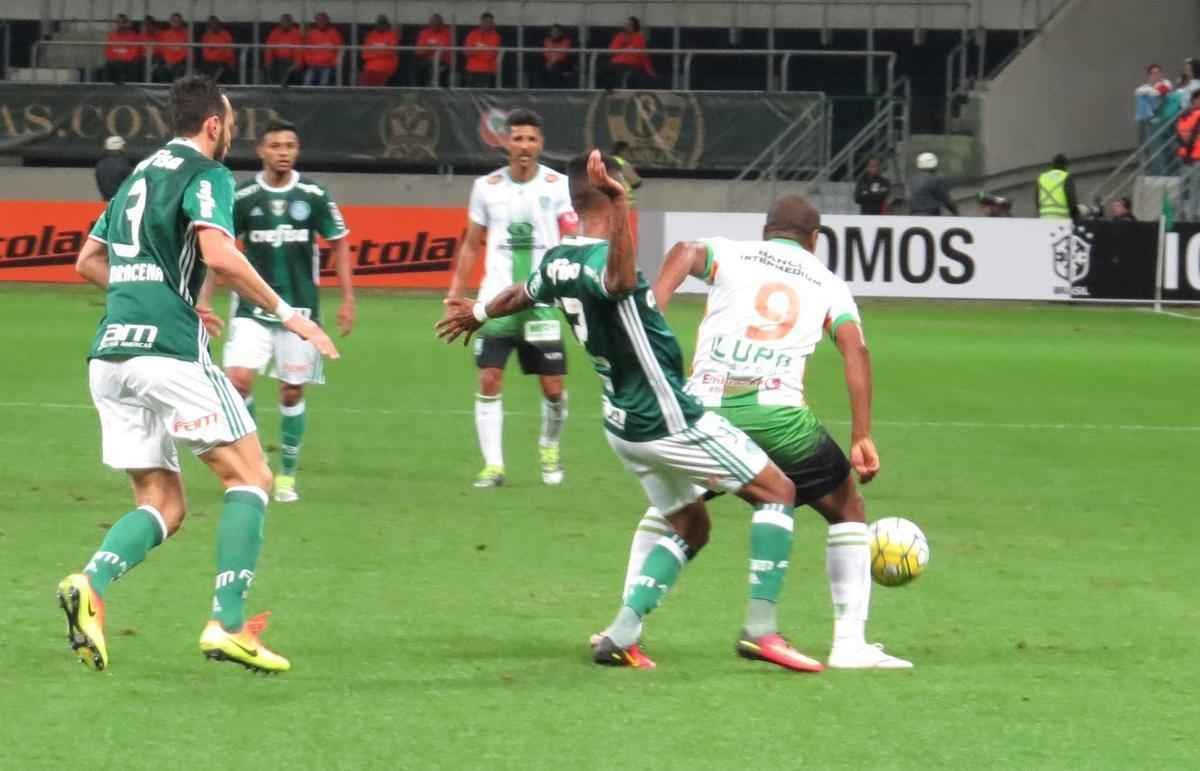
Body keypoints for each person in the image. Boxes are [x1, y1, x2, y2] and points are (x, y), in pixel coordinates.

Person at [437, 153, 815, 673]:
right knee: (779, 492)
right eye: (624, 189)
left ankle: (621, 634)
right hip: (667, 417)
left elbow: (521, 294)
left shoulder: (557, 259)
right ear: (604, 195)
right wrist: (618, 207)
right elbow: (616, 281)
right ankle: (761, 631)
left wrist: (477, 313)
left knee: (691, 524)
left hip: (622, 422)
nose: (630, 196)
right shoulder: (602, 262)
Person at [57, 76, 338, 676]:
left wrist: (157, 293)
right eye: (229, 120)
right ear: (214, 123)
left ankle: (92, 583)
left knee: (163, 503)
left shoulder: (137, 175)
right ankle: (229, 623)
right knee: (252, 478)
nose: (231, 129)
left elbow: (87, 262)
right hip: (168, 354)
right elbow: (219, 255)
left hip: (110, 356)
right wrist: (289, 315)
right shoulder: (205, 173)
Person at [622, 194, 912, 669]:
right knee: (847, 508)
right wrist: (862, 435)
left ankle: (628, 627)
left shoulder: (732, 252)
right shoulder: (828, 281)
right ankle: (849, 645)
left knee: (668, 510)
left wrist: (652, 308)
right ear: (813, 240)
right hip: (778, 414)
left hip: (704, 410)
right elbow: (855, 351)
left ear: (766, 231)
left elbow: (684, 252)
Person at [199, 119, 355, 503]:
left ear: (296, 151)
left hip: (301, 310)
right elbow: (218, 250)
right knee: (237, 382)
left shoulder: (314, 194)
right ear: (262, 151)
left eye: (290, 145)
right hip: (251, 308)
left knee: (290, 391)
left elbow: (339, 242)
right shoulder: (243, 196)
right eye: (276, 146)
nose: (283, 152)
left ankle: (287, 474)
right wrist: (204, 299)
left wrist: (348, 299)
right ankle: (255, 467)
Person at [444, 110, 576, 488]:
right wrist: (456, 290)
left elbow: (571, 233)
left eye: (531, 139)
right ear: (505, 143)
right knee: (489, 379)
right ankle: (493, 466)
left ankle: (549, 448)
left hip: (541, 300)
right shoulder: (486, 186)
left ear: (540, 144)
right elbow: (472, 243)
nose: (524, 146)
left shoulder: (557, 185)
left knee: (553, 389)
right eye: (517, 139)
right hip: (495, 301)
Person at [1135, 64, 1174, 176]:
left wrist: (1148, 91)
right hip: (1150, 121)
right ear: (1149, 75)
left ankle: (1164, 173)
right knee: (1153, 150)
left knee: (1164, 150)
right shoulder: (1146, 87)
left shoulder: (1165, 83)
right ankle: (1156, 172)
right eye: (1153, 73)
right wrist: (1147, 91)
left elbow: (1159, 92)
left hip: (1164, 120)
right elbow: (1138, 92)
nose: (1156, 75)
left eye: (1158, 72)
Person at [604, 17, 654, 89]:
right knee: (608, 69)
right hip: (616, 64)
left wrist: (649, 71)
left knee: (624, 74)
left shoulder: (639, 38)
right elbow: (611, 51)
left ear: (634, 27)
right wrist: (623, 46)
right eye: (626, 24)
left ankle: (621, 88)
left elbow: (643, 56)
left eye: (630, 25)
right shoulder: (619, 37)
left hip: (631, 66)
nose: (627, 26)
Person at [1177, 90, 1200, 221]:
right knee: (1194, 189)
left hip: (1185, 156)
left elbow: (1179, 134)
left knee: (1183, 189)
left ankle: (1182, 216)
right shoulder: (1196, 115)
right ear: (1195, 100)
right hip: (1195, 156)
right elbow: (1190, 136)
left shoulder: (1183, 115)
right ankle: (1191, 218)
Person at [303, 12, 343, 86]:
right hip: (313, 65)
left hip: (328, 65)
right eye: (319, 20)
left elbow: (339, 49)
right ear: (316, 21)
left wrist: (333, 63)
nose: (321, 22)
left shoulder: (334, 33)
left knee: (324, 84)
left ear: (327, 21)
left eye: (323, 20)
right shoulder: (311, 33)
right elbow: (306, 50)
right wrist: (309, 61)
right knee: (307, 83)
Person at [464, 12, 501, 88]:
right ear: (481, 22)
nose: (488, 24)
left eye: (490, 22)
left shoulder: (496, 36)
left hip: (487, 70)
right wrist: (482, 49)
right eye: (486, 22)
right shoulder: (472, 34)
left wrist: (475, 50)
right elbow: (467, 52)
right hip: (471, 69)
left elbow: (490, 55)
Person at [360, 15, 399, 86]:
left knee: (378, 85)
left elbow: (390, 52)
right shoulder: (370, 35)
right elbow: (365, 54)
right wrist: (382, 50)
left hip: (386, 66)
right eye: (379, 24)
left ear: (386, 25)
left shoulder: (392, 35)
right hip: (369, 67)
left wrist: (374, 51)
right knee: (364, 82)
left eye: (382, 24)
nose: (380, 26)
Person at [102, 14, 143, 83]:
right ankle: (107, 88)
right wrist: (116, 59)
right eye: (118, 22)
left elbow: (133, 53)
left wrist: (121, 58)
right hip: (115, 62)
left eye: (123, 22)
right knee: (108, 64)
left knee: (133, 65)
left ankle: (131, 88)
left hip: (129, 62)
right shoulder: (111, 36)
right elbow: (108, 53)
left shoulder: (134, 36)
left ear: (127, 24)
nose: (120, 24)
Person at [265, 14, 304, 85]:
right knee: (270, 68)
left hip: (291, 61)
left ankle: (282, 88)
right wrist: (268, 62)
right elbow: (269, 50)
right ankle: (274, 88)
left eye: (287, 21)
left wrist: (297, 64)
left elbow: (299, 51)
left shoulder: (297, 33)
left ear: (291, 22)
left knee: (290, 72)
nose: (285, 23)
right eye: (283, 21)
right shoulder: (274, 33)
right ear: (280, 22)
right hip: (277, 60)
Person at [414, 14, 451, 87]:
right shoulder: (424, 33)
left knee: (438, 71)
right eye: (432, 23)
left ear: (441, 24)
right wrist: (432, 48)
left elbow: (445, 50)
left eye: (437, 23)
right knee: (417, 69)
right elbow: (418, 51)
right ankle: (420, 93)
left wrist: (428, 48)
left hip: (443, 62)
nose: (434, 25)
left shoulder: (448, 33)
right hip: (426, 61)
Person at [151, 13, 189, 84]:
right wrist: (167, 62)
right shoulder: (163, 34)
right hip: (165, 62)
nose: (176, 23)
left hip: (179, 63)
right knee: (159, 69)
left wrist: (174, 62)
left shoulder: (185, 35)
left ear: (181, 23)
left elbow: (185, 52)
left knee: (180, 70)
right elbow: (159, 50)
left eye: (178, 21)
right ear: (170, 22)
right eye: (174, 21)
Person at [95, 135, 133, 201]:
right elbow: (130, 183)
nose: (124, 148)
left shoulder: (101, 163)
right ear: (119, 147)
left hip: (106, 201)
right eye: (123, 146)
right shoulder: (122, 163)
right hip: (120, 201)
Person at [198, 16, 236, 84]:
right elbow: (206, 55)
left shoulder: (226, 34)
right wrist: (221, 50)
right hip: (211, 63)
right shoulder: (206, 36)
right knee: (210, 68)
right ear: (208, 26)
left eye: (216, 23)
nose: (214, 26)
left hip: (225, 62)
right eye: (211, 24)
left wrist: (215, 50)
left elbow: (229, 53)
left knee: (225, 68)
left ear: (219, 24)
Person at [540, 24, 574, 88]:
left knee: (556, 69)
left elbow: (563, 54)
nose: (555, 33)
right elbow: (545, 53)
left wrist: (552, 61)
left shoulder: (566, 41)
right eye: (553, 31)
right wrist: (549, 62)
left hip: (562, 64)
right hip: (548, 63)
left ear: (561, 33)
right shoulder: (546, 40)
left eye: (557, 31)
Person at [610, 141, 643, 206]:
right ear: (622, 151)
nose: (630, 154)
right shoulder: (623, 164)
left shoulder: (605, 162)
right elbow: (636, 183)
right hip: (625, 204)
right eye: (628, 151)